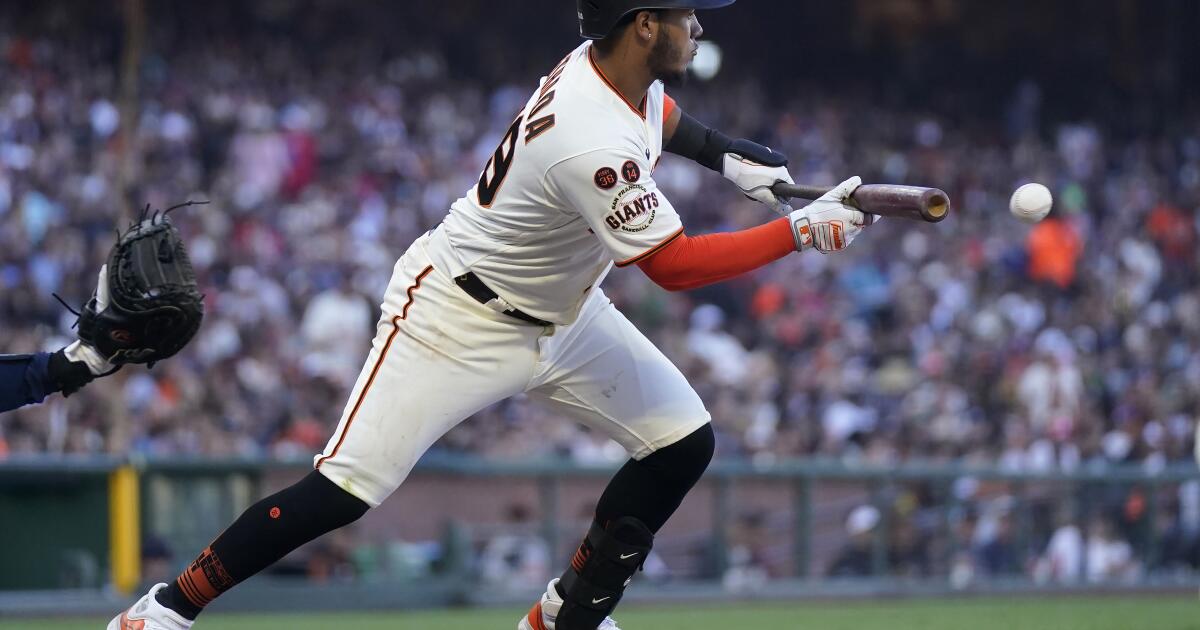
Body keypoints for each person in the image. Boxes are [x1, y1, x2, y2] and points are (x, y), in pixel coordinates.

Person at [109, 2, 873, 629]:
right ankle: (164, 612)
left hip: (563, 313)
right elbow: (672, 267)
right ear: (644, 24)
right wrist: (798, 232)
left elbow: (661, 114)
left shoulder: (608, 71)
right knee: (342, 490)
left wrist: (725, 153)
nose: (700, 25)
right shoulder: (589, 136)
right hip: (456, 314)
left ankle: (565, 616)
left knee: (681, 442)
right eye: (686, 13)